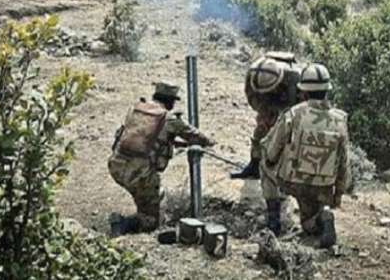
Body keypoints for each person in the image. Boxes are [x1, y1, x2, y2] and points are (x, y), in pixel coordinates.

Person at [260, 63, 350, 248]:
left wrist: (269, 161)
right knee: (308, 223)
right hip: (324, 187)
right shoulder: (340, 120)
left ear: (304, 92)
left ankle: (273, 222)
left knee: (264, 161)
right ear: (327, 90)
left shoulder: (293, 114)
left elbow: (271, 151)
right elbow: (344, 163)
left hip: (294, 183)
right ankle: (322, 217)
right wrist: (338, 194)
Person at [108, 82, 214, 234]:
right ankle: (122, 223)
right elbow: (197, 137)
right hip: (140, 174)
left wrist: (172, 142)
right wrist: (210, 142)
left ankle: (141, 212)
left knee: (145, 196)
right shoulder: (170, 118)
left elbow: (144, 137)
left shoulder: (137, 108)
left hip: (117, 165)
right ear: (170, 101)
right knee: (152, 221)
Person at [231, 52, 302, 180]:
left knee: (286, 134)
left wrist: (279, 122)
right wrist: (265, 116)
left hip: (285, 100)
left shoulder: (294, 78)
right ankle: (254, 165)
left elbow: (294, 108)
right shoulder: (253, 75)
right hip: (266, 99)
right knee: (261, 130)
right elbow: (253, 100)